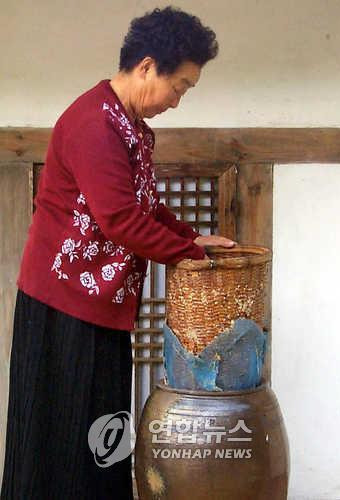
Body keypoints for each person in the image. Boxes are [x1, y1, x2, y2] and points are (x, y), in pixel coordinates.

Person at [0, 5, 235, 500]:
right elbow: (121, 222)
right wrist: (189, 256)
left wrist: (193, 238)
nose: (178, 100)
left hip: (103, 309)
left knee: (104, 439)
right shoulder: (95, 124)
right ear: (147, 66)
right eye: (181, 86)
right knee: (60, 442)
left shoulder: (130, 127)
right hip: (63, 308)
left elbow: (144, 208)